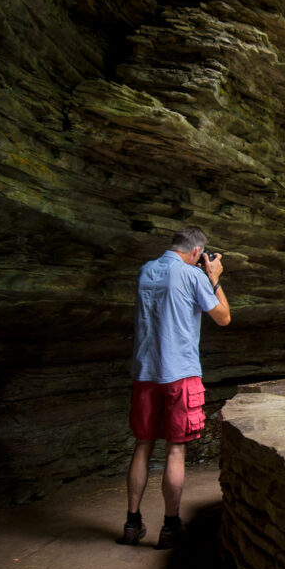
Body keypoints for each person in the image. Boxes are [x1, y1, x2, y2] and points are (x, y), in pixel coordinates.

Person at [118, 226, 231, 549]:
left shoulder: (146, 271)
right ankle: (169, 527)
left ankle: (132, 522)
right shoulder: (193, 276)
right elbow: (223, 317)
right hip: (180, 373)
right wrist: (214, 278)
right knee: (175, 449)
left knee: (142, 444)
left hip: (145, 373)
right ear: (197, 252)